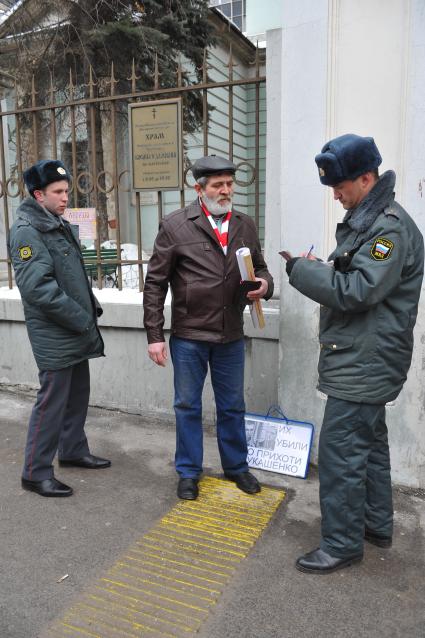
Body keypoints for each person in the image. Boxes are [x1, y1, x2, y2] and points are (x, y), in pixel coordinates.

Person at [284, 134, 424, 573]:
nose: (335, 194)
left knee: (342, 452)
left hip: (365, 362)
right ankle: (376, 524)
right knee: (371, 445)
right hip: (366, 356)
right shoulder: (372, 221)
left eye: (340, 185)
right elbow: (360, 279)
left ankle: (342, 543)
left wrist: (302, 271)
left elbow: (359, 289)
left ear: (367, 178)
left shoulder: (389, 228)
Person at [143, 155, 274, 500]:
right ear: (199, 189)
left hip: (230, 333)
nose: (226, 190)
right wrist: (155, 336)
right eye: (218, 185)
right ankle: (188, 472)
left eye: (230, 184)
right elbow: (155, 284)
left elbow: (261, 268)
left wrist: (265, 284)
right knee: (187, 405)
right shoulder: (175, 225)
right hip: (189, 335)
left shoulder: (245, 224)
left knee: (232, 405)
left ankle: (236, 467)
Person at [8, 159, 111, 498]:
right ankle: (35, 472)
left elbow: (70, 274)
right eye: (58, 192)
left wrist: (88, 304)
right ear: (39, 194)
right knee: (51, 403)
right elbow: (38, 289)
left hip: (74, 327)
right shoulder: (27, 230)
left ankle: (72, 450)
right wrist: (81, 317)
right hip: (56, 332)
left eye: (67, 191)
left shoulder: (56, 222)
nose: (66, 197)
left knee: (77, 395)